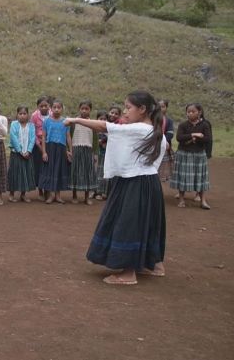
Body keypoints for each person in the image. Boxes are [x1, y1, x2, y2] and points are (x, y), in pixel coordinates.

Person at [64, 90, 167, 285]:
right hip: (149, 182)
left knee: (128, 224)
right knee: (146, 223)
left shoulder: (139, 129)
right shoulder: (154, 130)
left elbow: (104, 126)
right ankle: (154, 265)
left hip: (135, 183)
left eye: (128, 108)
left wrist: (75, 119)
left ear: (143, 109)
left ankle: (128, 274)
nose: (125, 112)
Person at [170, 103, 211, 209]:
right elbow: (179, 138)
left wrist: (193, 139)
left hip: (199, 154)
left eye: (193, 111)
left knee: (200, 177)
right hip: (184, 153)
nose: (190, 114)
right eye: (188, 112)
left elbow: (207, 139)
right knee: (183, 176)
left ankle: (203, 201)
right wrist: (194, 135)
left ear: (199, 112)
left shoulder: (205, 125)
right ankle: (182, 200)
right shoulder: (183, 125)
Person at [39, 100, 72, 204]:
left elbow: (68, 136)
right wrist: (44, 152)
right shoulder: (47, 121)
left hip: (61, 149)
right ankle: (50, 195)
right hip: (50, 148)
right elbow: (43, 136)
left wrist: (70, 150)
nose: (56, 109)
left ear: (62, 109)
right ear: (51, 109)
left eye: (59, 107)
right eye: (54, 107)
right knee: (49, 170)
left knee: (58, 170)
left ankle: (58, 196)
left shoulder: (66, 122)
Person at [69, 100, 98, 205]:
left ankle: (86, 197)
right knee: (75, 172)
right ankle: (74, 195)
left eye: (87, 109)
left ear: (90, 110)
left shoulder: (93, 123)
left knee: (87, 173)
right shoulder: (74, 122)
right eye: (82, 109)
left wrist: (95, 153)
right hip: (76, 149)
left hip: (88, 150)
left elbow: (95, 140)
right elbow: (69, 137)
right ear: (79, 109)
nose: (84, 111)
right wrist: (69, 150)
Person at [7, 105, 36, 203]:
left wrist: (28, 151)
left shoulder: (31, 126)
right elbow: (13, 138)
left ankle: (23, 195)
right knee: (14, 173)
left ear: (28, 115)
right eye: (20, 113)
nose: (22, 116)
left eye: (24, 114)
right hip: (16, 153)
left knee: (26, 174)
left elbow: (32, 139)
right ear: (17, 114)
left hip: (28, 154)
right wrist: (20, 151)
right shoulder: (14, 124)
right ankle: (11, 194)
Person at [31, 96, 52, 200]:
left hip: (50, 144)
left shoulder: (53, 114)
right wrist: (38, 145)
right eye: (41, 106)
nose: (44, 108)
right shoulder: (34, 116)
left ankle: (48, 191)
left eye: (46, 106)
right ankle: (40, 191)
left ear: (49, 106)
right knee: (39, 167)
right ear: (38, 107)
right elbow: (32, 131)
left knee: (48, 167)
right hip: (38, 144)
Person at [158, 99, 175, 182]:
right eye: (159, 107)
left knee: (162, 170)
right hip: (152, 146)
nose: (160, 109)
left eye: (163, 107)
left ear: (166, 108)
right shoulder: (151, 119)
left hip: (164, 146)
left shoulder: (169, 121)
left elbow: (170, 133)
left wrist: (163, 141)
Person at [94, 110, 109, 200]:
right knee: (95, 173)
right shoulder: (94, 130)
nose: (103, 120)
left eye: (105, 119)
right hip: (96, 155)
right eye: (101, 119)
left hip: (104, 156)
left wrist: (102, 142)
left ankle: (101, 192)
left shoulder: (108, 131)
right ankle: (94, 191)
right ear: (97, 119)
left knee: (102, 174)